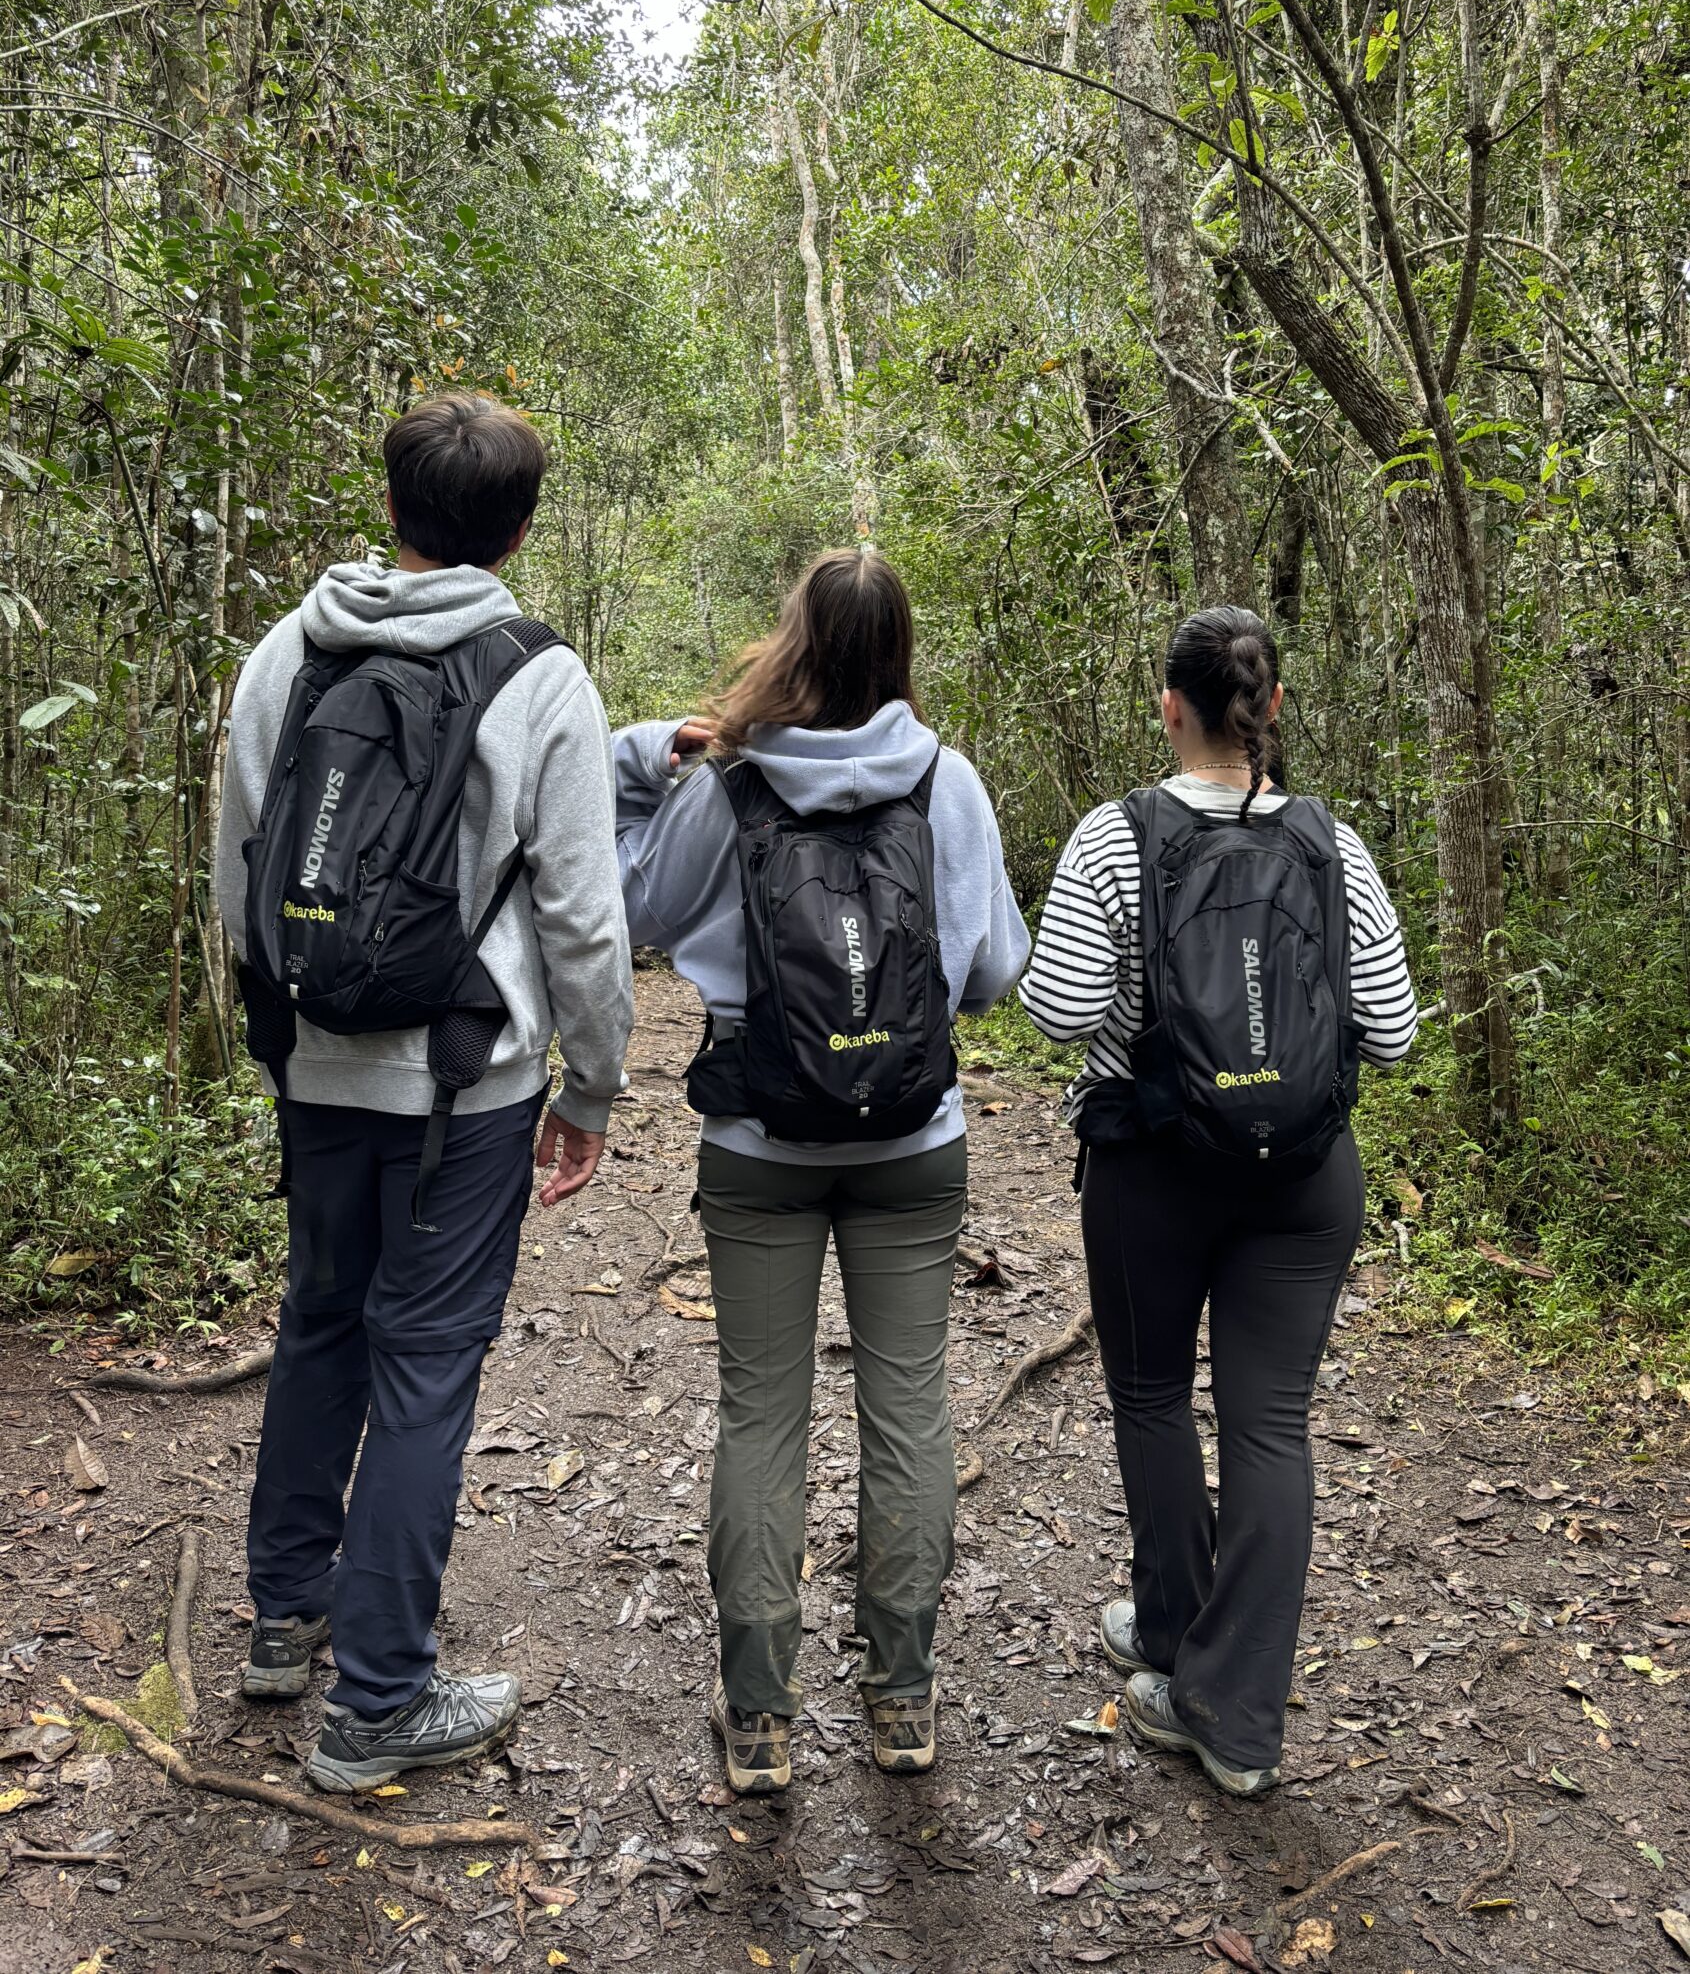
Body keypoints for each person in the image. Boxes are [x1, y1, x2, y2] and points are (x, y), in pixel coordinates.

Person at [214, 392, 633, 1792]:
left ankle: (285, 1618)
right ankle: (379, 1700)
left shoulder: (291, 647)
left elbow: (240, 864)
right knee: (427, 1363)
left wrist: (277, 1029)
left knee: (321, 1318)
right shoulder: (539, 674)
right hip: (467, 1084)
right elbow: (580, 914)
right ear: (516, 528)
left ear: (387, 503)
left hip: (317, 1057)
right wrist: (595, 1082)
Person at [613, 550, 1028, 1793]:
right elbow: (995, 970)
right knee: (908, 1404)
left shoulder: (727, 781)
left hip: (757, 1143)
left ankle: (759, 1719)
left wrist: (654, 777)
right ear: (900, 649)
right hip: (913, 1141)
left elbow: (637, 915)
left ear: (789, 640)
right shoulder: (946, 781)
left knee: (761, 1412)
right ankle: (901, 1699)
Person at [1018, 606, 1417, 1797]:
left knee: (1149, 1397)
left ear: (1167, 705)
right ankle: (1233, 1718)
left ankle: (1168, 1631)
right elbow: (1390, 1029)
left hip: (1154, 1171)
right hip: (1305, 1179)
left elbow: (1052, 1009)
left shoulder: (1114, 837)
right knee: (1268, 1425)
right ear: (1272, 708)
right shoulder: (1328, 844)